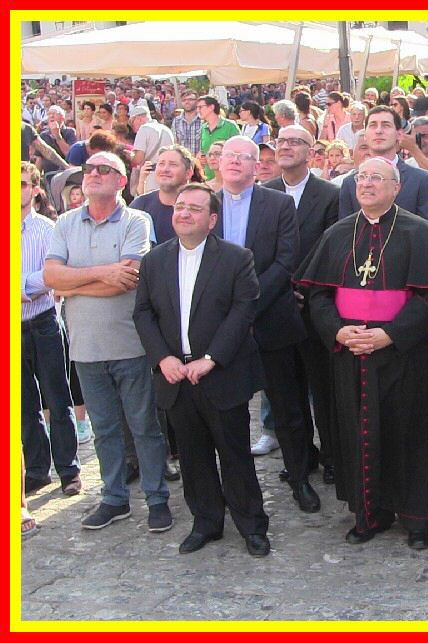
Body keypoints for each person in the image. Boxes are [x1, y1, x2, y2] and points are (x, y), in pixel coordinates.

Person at [296, 157, 428, 549]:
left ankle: (417, 517)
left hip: (406, 353)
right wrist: (338, 331)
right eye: (361, 177)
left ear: (396, 187)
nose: (366, 184)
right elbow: (318, 295)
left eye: (376, 178)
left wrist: (390, 335)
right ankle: (370, 513)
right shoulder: (337, 234)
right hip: (350, 352)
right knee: (357, 433)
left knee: (411, 432)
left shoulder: (420, 232)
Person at [133, 183, 270, 557]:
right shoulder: (154, 260)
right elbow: (143, 313)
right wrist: (163, 359)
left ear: (211, 220)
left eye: (194, 209)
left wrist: (211, 358)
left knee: (235, 454)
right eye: (180, 207)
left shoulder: (236, 258)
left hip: (221, 374)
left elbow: (243, 310)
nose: (184, 213)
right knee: (193, 457)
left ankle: (252, 525)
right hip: (176, 376)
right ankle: (206, 522)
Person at [43, 152, 171, 532]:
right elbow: (50, 277)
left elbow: (128, 279)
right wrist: (101, 275)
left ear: (121, 180)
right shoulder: (65, 222)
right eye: (89, 169)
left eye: (104, 169)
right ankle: (114, 498)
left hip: (130, 345)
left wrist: (73, 283)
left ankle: (157, 498)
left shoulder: (136, 220)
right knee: (104, 430)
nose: (93, 174)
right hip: (85, 348)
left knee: (144, 427)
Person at [216, 136, 318, 514]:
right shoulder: (205, 203)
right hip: (218, 327)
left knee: (288, 408)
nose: (235, 162)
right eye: (229, 156)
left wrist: (247, 307)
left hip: (271, 319)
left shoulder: (279, 204)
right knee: (227, 412)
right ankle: (235, 489)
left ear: (257, 165)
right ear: (218, 162)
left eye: (244, 157)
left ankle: (300, 477)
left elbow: (285, 260)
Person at [259, 125, 340, 483]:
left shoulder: (330, 194)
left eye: (296, 141)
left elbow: (333, 248)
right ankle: (300, 458)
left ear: (312, 151)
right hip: (275, 307)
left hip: (315, 306)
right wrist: (278, 290)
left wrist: (304, 287)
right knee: (285, 392)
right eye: (282, 141)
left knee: (324, 390)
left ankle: (334, 456)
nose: (286, 147)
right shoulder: (264, 193)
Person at [21, 161, 81, 496]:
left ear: (35, 189)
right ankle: (36, 469)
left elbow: (52, 276)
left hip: (43, 322)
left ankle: (68, 469)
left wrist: (19, 286)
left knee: (58, 399)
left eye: (22, 184)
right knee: (23, 404)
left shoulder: (47, 229)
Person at [338, 106, 428, 224]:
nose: (378, 131)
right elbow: (346, 230)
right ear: (365, 135)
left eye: (386, 125)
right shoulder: (350, 183)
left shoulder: (421, 180)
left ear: (399, 134)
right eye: (373, 125)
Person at [128, 104, 175, 194]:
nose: (133, 128)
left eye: (132, 123)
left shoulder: (143, 129)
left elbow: (138, 159)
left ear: (139, 119)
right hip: (167, 176)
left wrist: (128, 156)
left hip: (149, 177)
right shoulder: (167, 129)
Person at [198, 95, 240, 181]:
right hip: (208, 178)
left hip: (227, 178)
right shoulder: (203, 128)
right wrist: (201, 158)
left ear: (211, 107)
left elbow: (239, 151)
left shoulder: (230, 126)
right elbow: (202, 151)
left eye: (200, 107)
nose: (198, 110)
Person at [172, 91, 202, 156]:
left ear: (197, 101)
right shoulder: (176, 121)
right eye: (184, 100)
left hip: (200, 160)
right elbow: (175, 143)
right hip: (183, 160)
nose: (187, 102)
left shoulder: (203, 120)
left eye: (190, 99)